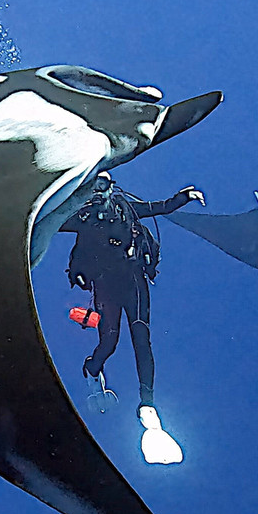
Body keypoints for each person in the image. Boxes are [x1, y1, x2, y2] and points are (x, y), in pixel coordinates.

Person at [60, 172, 204, 462]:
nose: (100, 191)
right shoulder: (83, 216)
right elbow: (51, 222)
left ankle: (148, 406)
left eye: (104, 184)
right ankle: (92, 368)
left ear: (112, 187)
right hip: (106, 283)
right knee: (110, 340)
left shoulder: (126, 207)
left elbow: (158, 207)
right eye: (94, 186)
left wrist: (184, 197)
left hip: (133, 279)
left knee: (141, 338)